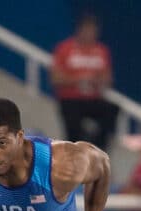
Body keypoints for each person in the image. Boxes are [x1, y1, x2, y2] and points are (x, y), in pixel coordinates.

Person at [50, 13, 117, 150]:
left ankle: (97, 146)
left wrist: (97, 81)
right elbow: (55, 78)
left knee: (112, 110)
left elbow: (108, 78)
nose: (89, 34)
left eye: (93, 31)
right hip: (70, 98)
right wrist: (78, 79)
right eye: (86, 30)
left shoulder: (101, 50)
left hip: (92, 97)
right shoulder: (64, 48)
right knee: (72, 124)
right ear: (79, 30)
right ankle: (76, 150)